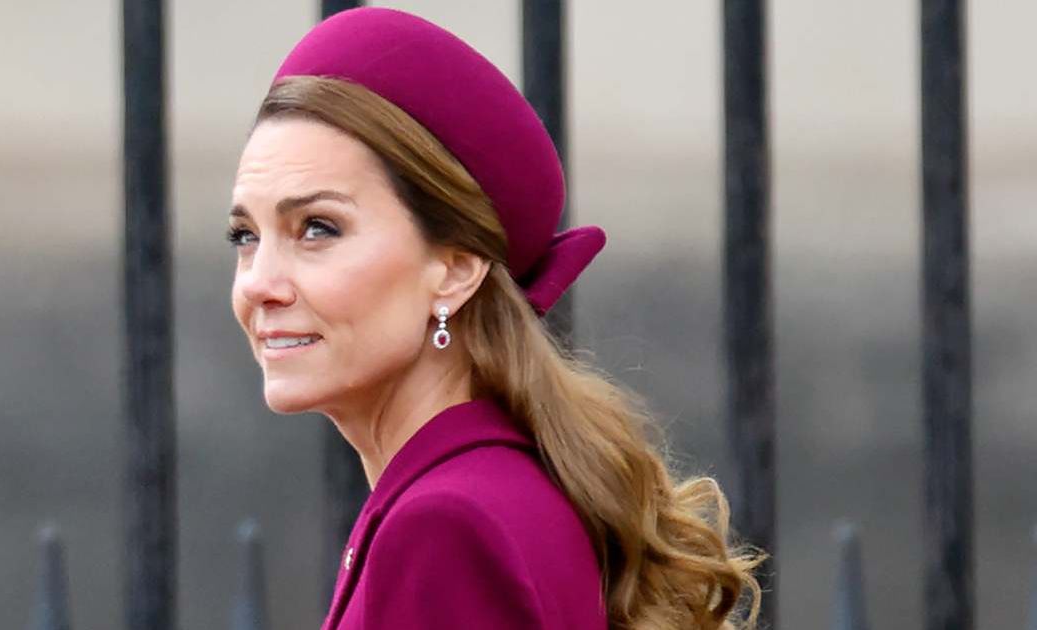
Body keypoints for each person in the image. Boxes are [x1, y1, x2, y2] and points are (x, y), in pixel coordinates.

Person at [227, 7, 766, 630]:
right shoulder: (507, 487)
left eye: (317, 228)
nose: (259, 283)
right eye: (244, 235)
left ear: (455, 270)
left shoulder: (444, 527)